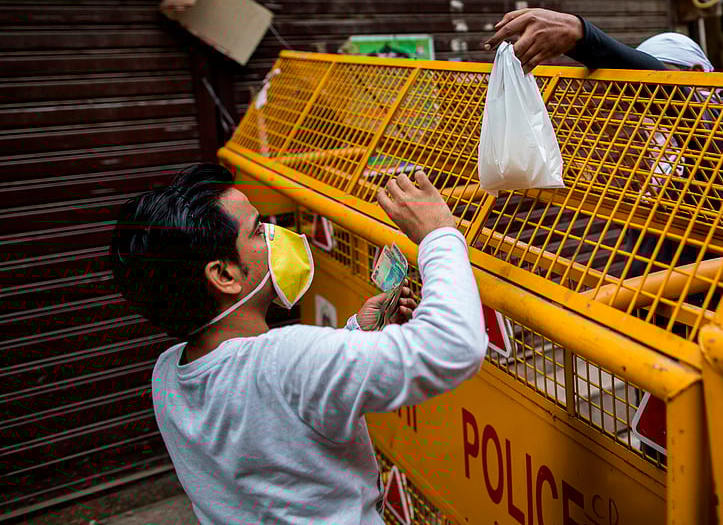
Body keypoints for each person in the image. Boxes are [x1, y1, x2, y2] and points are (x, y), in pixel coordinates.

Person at [108, 163, 486, 524]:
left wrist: (357, 331)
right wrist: (438, 234)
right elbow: (454, 345)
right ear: (223, 274)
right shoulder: (283, 361)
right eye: (257, 231)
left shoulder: (167, 376)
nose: (274, 234)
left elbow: (277, 408)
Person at [482, 8, 723, 313]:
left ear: (699, 75)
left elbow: (668, 93)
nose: (640, 100)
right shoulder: (643, 141)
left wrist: (581, 34)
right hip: (655, 313)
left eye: (642, 86)